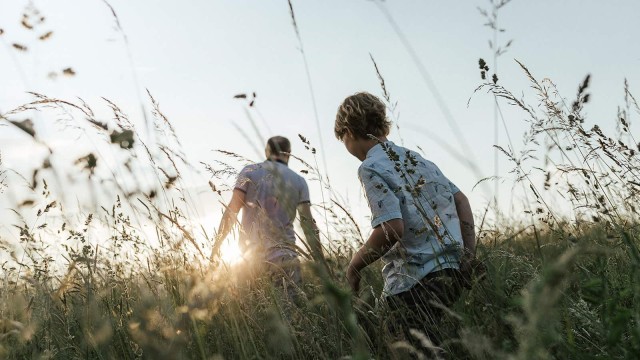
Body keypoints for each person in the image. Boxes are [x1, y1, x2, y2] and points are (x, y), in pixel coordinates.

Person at [333, 92, 478, 344]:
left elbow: (392, 228)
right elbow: (461, 201)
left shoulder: (370, 167)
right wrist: (468, 255)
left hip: (413, 283)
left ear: (348, 131)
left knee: (397, 346)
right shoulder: (417, 159)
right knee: (432, 344)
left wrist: (354, 266)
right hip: (452, 273)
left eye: (342, 139)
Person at [211, 136, 322, 299]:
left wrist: (216, 247)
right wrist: (320, 260)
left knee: (253, 317)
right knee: (290, 317)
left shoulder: (249, 171)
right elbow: (308, 224)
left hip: (250, 260)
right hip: (286, 259)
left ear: (266, 151)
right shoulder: (299, 181)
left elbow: (231, 211)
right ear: (289, 154)